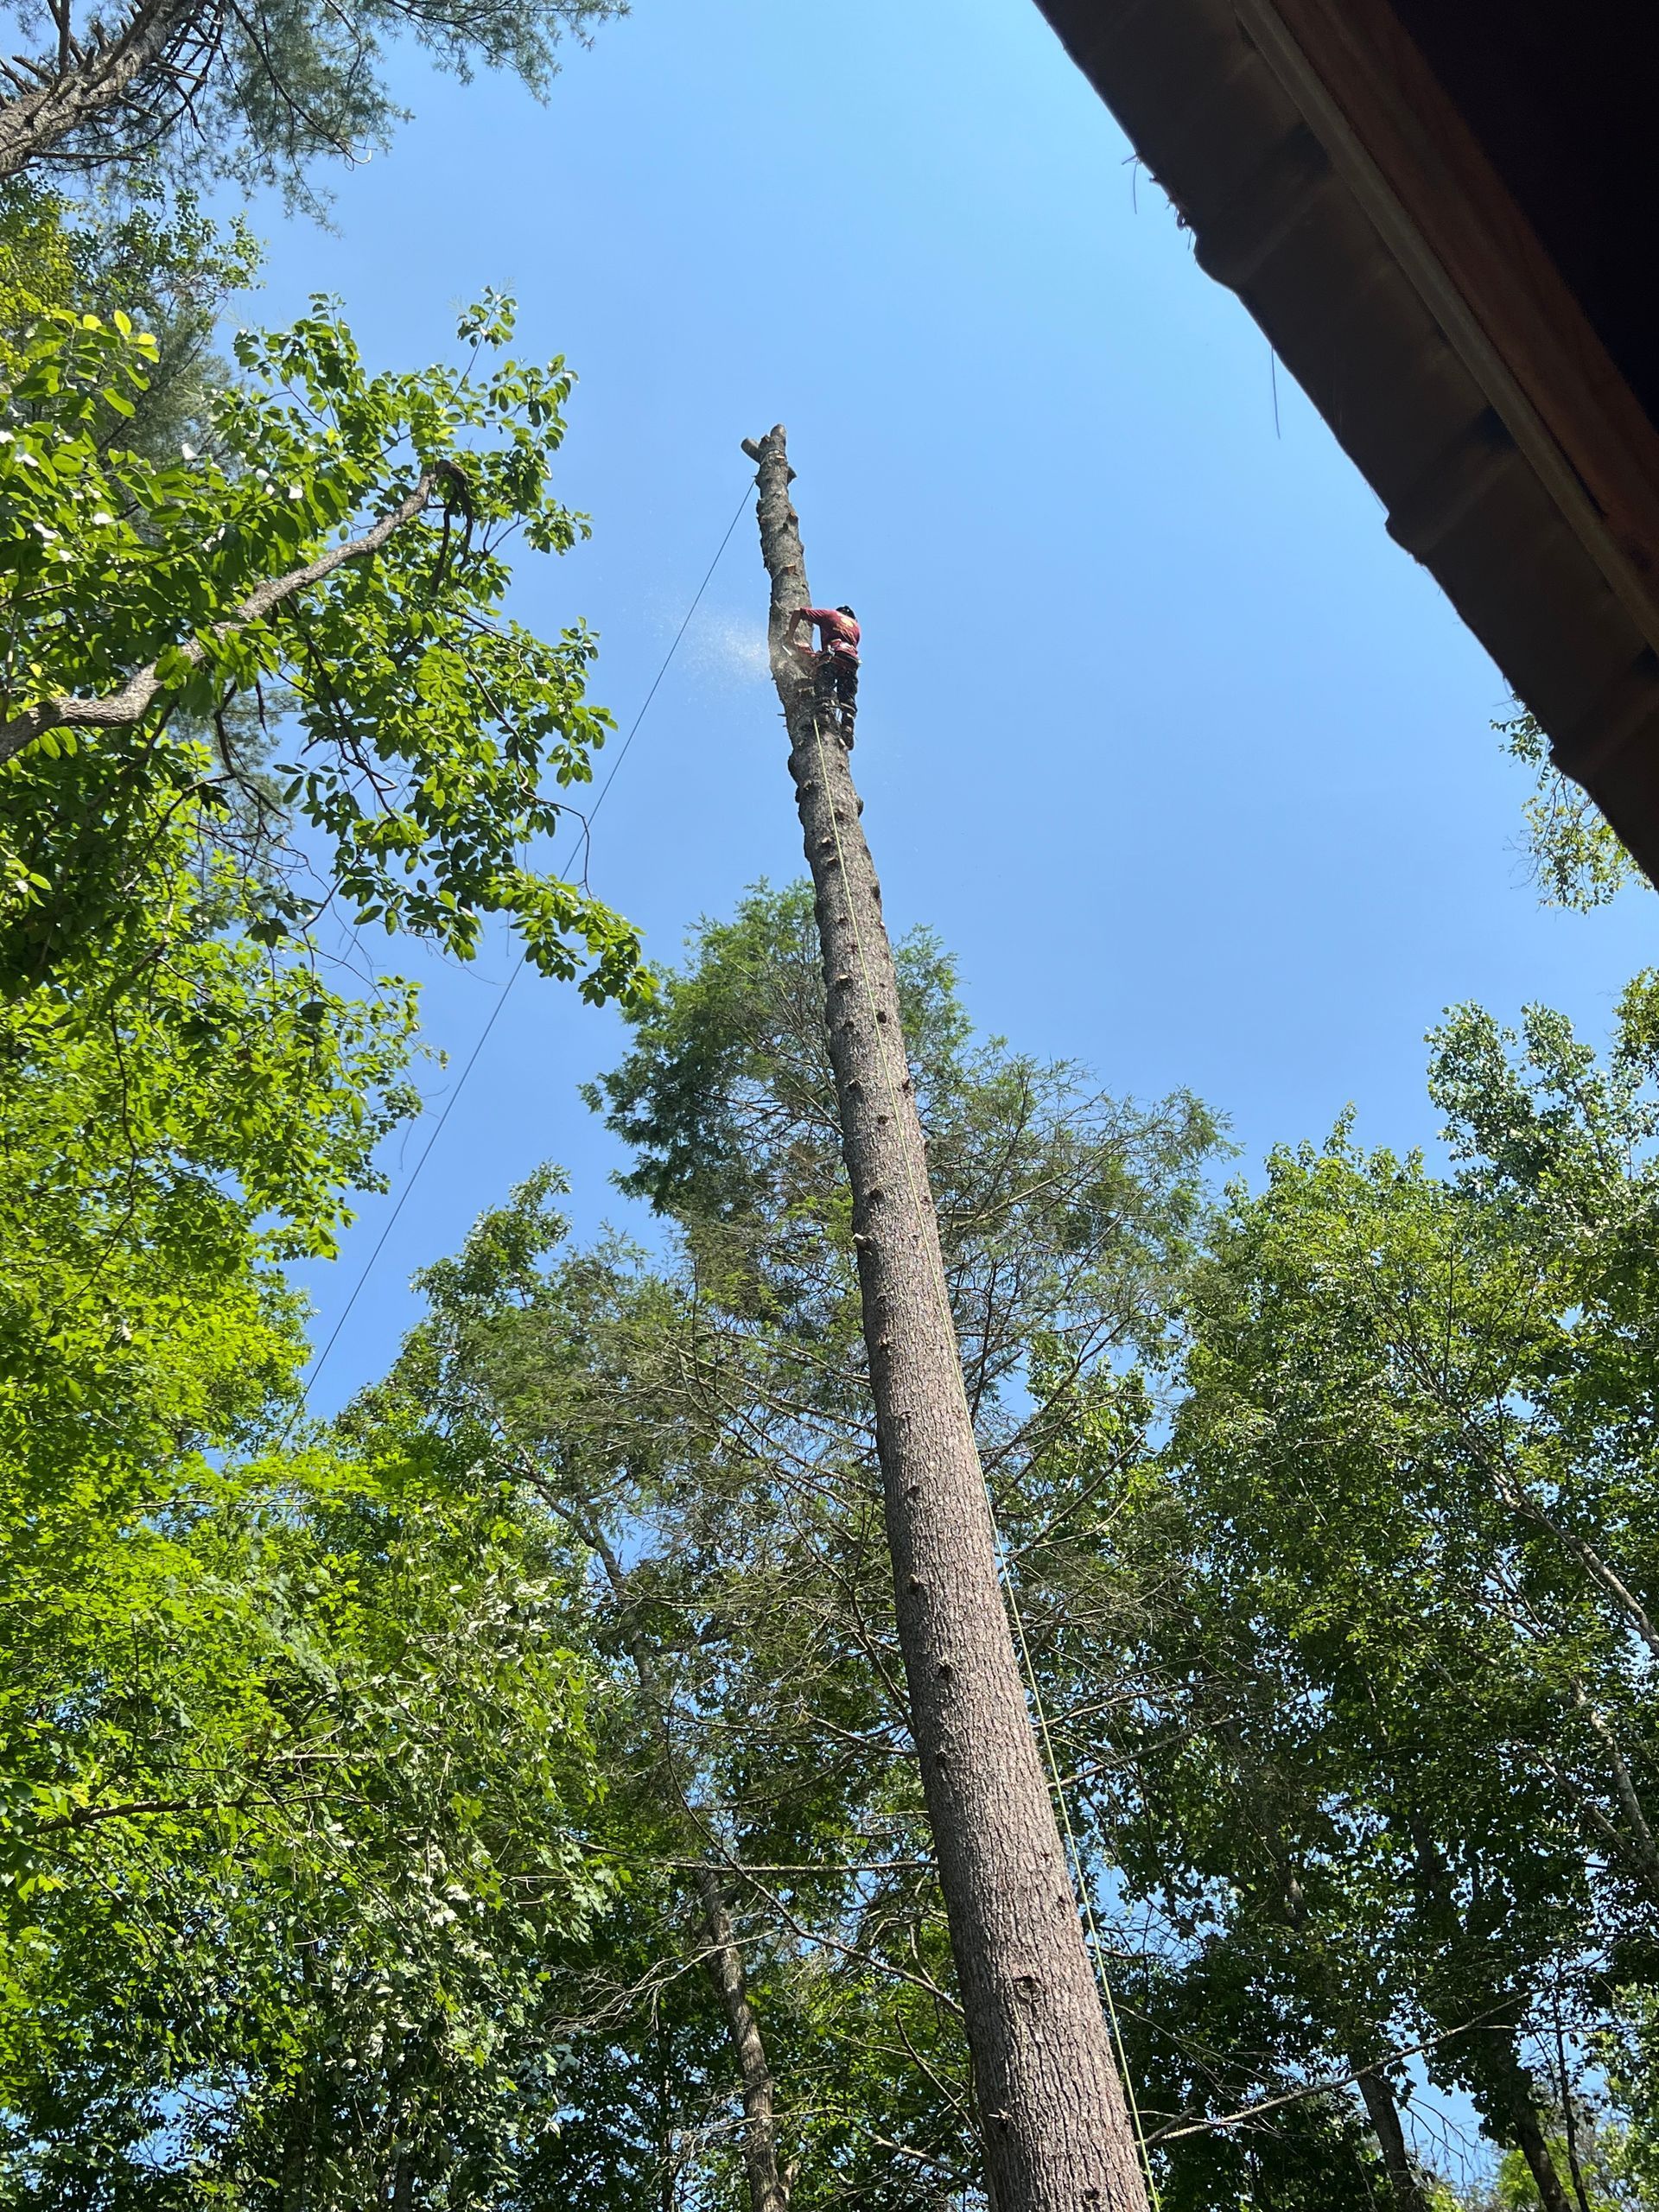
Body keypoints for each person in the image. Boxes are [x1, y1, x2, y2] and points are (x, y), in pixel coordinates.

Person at [793, 603, 861, 743]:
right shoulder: (856, 628)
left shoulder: (830, 615)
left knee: (824, 686)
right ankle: (848, 725)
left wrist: (789, 637)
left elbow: (798, 611)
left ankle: (823, 715)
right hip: (851, 661)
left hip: (833, 655)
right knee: (847, 695)